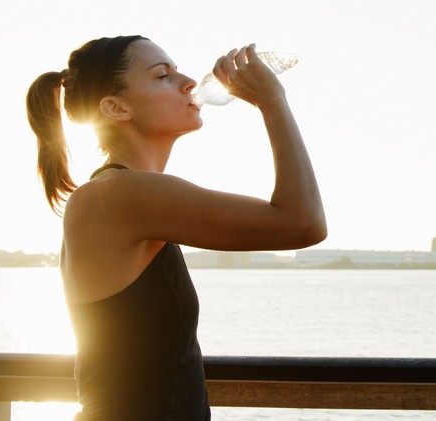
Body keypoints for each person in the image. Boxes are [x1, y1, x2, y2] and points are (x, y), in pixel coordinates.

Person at [26, 35, 326, 420]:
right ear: (116, 107)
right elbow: (302, 223)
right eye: (163, 75)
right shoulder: (120, 195)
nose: (188, 81)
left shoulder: (121, 194)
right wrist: (272, 101)